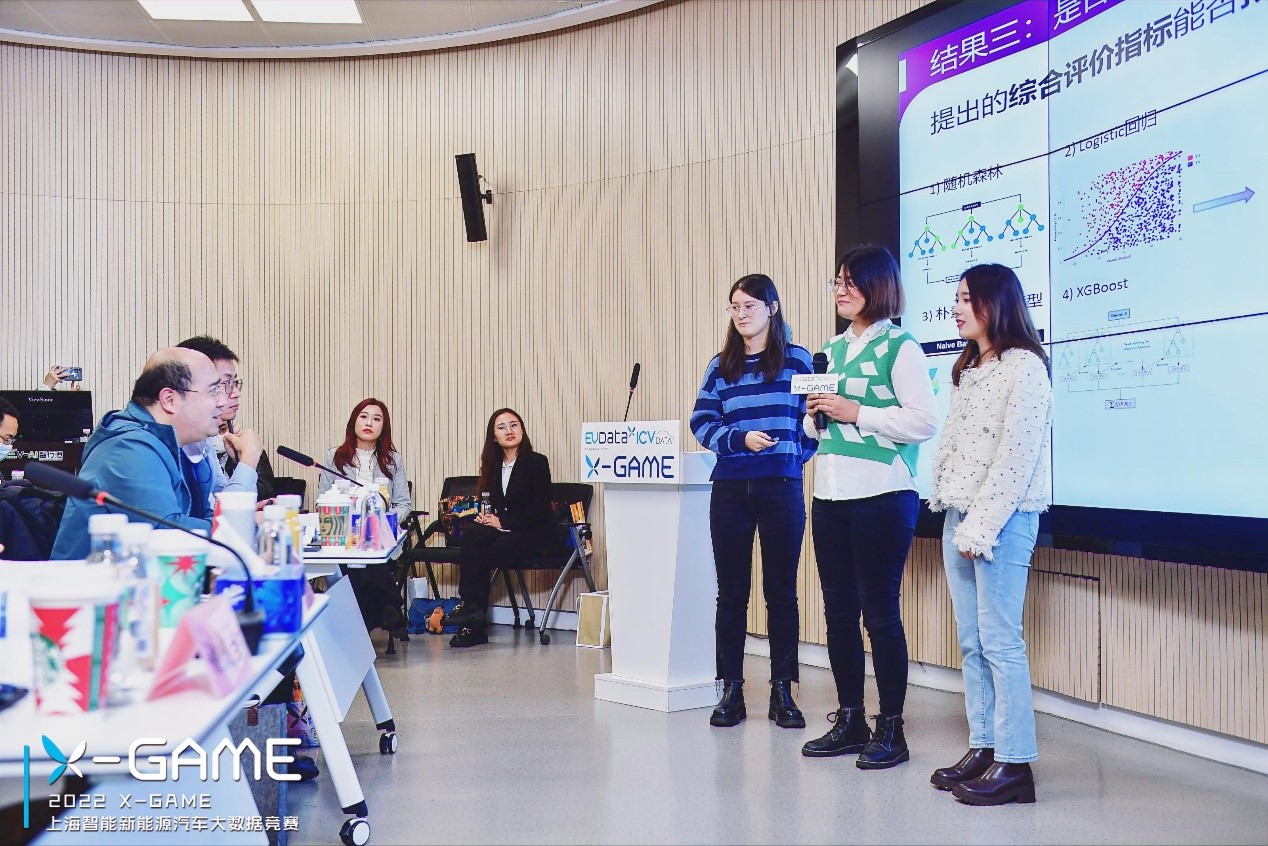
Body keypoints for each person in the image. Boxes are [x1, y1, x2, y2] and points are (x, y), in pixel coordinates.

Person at [801, 245, 938, 768]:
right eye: (837, 281)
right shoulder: (829, 351)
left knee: (880, 613)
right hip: (830, 494)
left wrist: (857, 411)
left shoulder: (900, 346)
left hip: (883, 494)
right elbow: (816, 428)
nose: (840, 290)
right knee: (838, 613)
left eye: (850, 282)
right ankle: (851, 719)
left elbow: (923, 422)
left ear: (878, 287)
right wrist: (814, 416)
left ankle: (892, 729)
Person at [927, 263, 1052, 806]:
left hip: (1003, 521)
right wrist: (950, 507)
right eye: (956, 298)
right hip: (959, 514)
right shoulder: (970, 368)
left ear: (995, 304)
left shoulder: (1026, 367)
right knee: (972, 641)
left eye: (966, 299)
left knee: (1001, 641)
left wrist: (980, 526)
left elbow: (1016, 458)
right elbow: (954, 444)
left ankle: (1015, 763)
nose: (956, 308)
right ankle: (984, 745)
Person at [690, 273, 817, 728]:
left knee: (781, 592)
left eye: (749, 306)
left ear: (772, 308)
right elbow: (702, 422)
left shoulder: (798, 359)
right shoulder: (720, 365)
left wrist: (792, 456)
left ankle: (783, 691)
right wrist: (738, 440)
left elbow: (814, 419)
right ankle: (731, 691)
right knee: (731, 594)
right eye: (735, 307)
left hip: (781, 486)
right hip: (730, 488)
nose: (741, 314)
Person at [51, 348, 227, 559]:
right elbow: (166, 535)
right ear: (169, 400)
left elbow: (200, 514)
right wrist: (242, 526)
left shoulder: (171, 444)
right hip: (93, 578)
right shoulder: (129, 447)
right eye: (213, 391)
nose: (222, 402)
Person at [442, 408, 553, 648]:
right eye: (501, 427)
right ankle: (472, 611)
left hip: (532, 533)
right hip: (504, 533)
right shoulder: (493, 467)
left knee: (480, 552)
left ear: (522, 430)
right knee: (473, 533)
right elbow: (496, 506)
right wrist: (488, 518)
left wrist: (503, 523)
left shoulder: (536, 462)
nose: (509, 431)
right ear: (494, 436)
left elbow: (540, 510)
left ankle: (472, 620)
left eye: (514, 425)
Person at [317, 398, 413, 633]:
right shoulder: (334, 457)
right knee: (356, 559)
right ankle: (389, 605)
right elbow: (322, 501)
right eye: (364, 416)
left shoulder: (394, 461)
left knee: (370, 553)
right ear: (354, 422)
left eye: (376, 419)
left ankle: (363, 623)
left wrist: (381, 522)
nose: (369, 423)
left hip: (380, 536)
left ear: (383, 427)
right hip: (343, 536)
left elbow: (404, 504)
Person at [176, 335, 274, 503]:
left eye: (235, 383)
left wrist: (240, 461)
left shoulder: (202, 443)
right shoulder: (154, 445)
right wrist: (249, 458)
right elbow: (227, 511)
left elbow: (220, 505)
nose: (236, 393)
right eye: (226, 383)